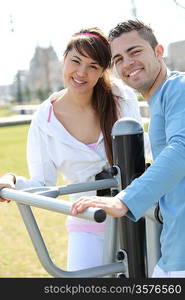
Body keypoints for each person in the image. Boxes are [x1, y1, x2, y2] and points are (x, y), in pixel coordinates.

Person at [0, 27, 150, 271]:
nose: (81, 73)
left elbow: (142, 153)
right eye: (76, 61)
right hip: (89, 219)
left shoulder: (121, 98)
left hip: (136, 217)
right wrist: (12, 180)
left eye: (93, 66)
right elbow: (43, 183)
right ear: (64, 59)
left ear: (102, 71)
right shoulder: (44, 120)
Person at [71, 20, 185, 278]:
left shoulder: (178, 88)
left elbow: (181, 149)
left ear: (158, 51)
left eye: (135, 52)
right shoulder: (160, 100)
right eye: (118, 59)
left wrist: (123, 199)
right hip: (172, 251)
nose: (127, 63)